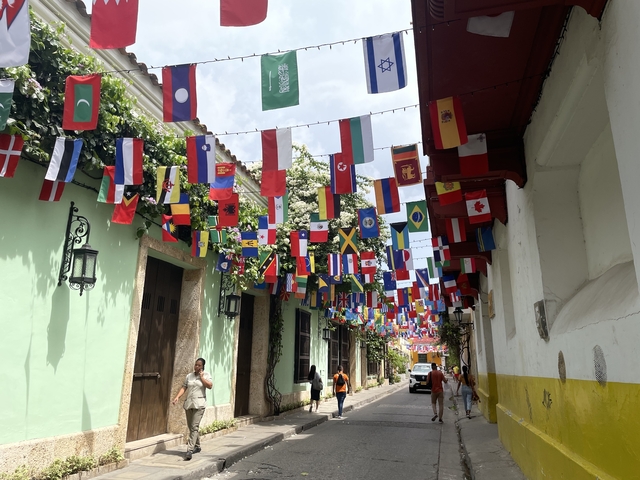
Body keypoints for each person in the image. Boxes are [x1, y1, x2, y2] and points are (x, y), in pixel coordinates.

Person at [172, 358, 212, 461]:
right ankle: (197, 446)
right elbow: (184, 387)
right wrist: (177, 397)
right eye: (196, 365)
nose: (197, 367)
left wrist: (202, 378)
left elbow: (210, 386)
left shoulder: (206, 375)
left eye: (199, 365)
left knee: (194, 426)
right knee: (191, 427)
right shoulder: (189, 376)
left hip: (199, 404)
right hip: (189, 404)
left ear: (203, 366)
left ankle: (189, 450)